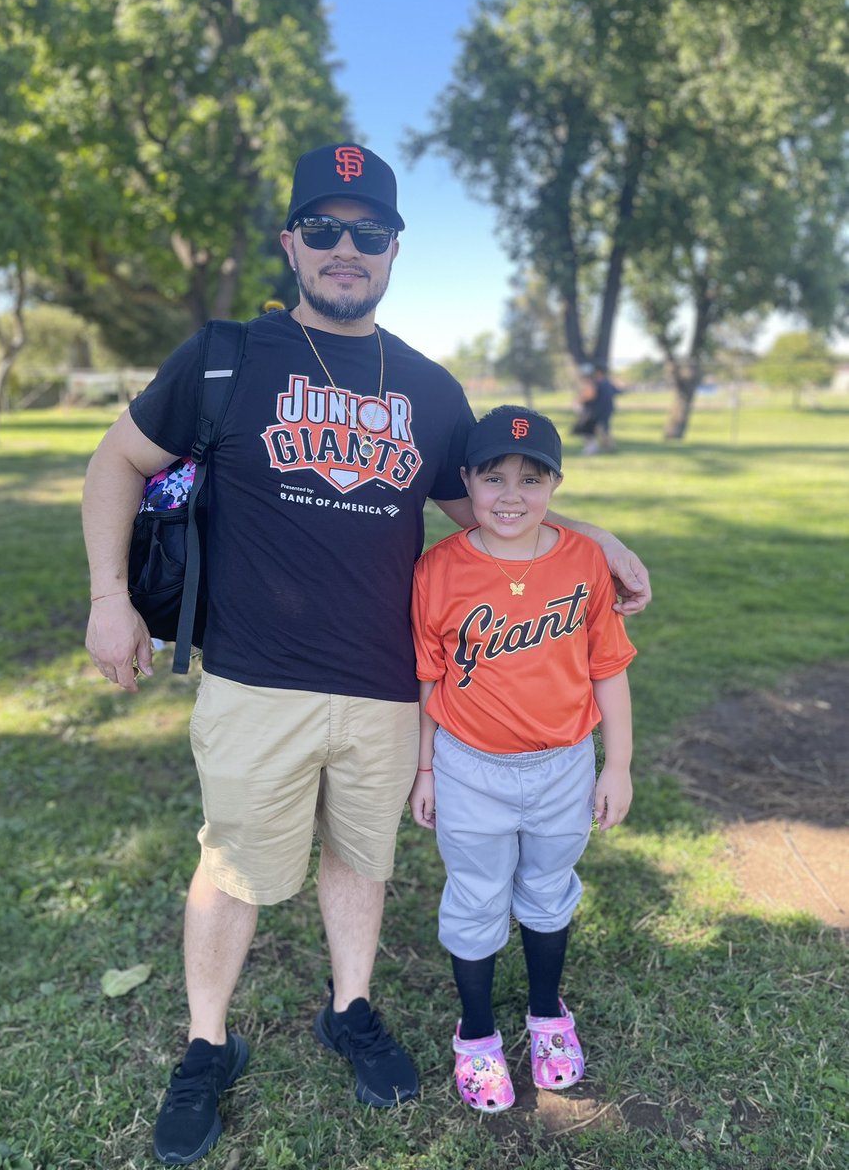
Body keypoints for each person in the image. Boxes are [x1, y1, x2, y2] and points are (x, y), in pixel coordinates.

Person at [82, 143, 650, 1166]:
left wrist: (594, 537)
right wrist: (108, 600)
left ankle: (351, 1010)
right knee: (232, 864)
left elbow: (493, 507)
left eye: (370, 233)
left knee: (363, 857)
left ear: (394, 251)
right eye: (327, 229)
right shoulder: (227, 355)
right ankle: (208, 1045)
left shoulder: (431, 391)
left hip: (390, 685)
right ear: (293, 240)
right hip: (255, 673)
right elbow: (117, 460)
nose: (348, 249)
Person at [408, 405, 635, 1113]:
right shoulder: (438, 569)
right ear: (466, 483)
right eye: (493, 477)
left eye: (531, 478)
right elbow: (427, 678)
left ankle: (546, 1016)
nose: (511, 494)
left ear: (556, 482)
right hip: (468, 763)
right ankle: (476, 1035)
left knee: (547, 887)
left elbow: (610, 669)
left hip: (564, 762)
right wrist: (423, 770)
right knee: (475, 897)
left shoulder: (584, 560)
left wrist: (618, 763)